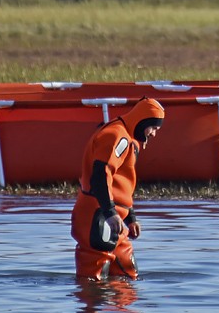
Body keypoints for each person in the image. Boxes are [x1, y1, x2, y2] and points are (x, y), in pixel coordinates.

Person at [71, 97, 165, 281]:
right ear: (142, 121)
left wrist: (130, 217)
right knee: (95, 274)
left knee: (127, 272)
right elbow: (100, 175)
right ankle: (94, 307)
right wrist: (109, 212)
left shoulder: (130, 138)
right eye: (153, 128)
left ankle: (122, 309)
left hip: (114, 217)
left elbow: (119, 183)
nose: (154, 134)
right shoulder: (116, 136)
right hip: (97, 215)